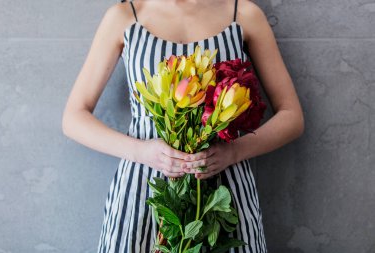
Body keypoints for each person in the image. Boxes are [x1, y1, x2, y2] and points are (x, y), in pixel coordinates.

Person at [61, 0, 304, 252]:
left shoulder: (243, 14)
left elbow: (291, 116)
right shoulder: (125, 16)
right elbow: (74, 118)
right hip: (142, 191)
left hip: (224, 192)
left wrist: (233, 152)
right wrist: (143, 152)